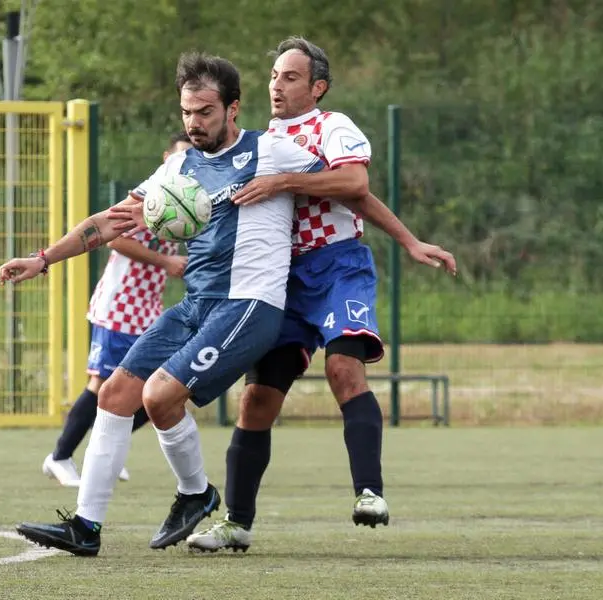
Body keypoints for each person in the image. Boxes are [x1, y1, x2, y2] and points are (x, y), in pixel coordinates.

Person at [0, 51, 324, 557]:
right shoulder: (178, 167)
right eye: (187, 112)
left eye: (206, 113)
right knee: (114, 395)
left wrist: (297, 193)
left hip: (249, 306)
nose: (194, 124)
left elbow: (348, 182)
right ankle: (87, 527)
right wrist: (44, 258)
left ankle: (195, 493)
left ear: (234, 109)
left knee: (158, 396)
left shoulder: (273, 151)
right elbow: (111, 222)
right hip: (197, 304)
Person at [186, 37, 457, 552]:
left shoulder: (332, 126)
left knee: (343, 370)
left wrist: (408, 241)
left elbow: (354, 183)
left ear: (317, 87)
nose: (276, 86)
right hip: (283, 278)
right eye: (272, 76)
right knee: (258, 400)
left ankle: (369, 493)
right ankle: (236, 522)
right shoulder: (263, 139)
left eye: (290, 77)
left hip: (337, 266)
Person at [41, 132, 192, 487]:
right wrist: (166, 261)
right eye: (180, 156)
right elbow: (116, 237)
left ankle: (103, 451)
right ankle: (60, 457)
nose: (185, 164)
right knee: (101, 383)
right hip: (119, 303)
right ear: (165, 157)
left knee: (157, 389)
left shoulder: (187, 199)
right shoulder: (151, 195)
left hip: (148, 307)